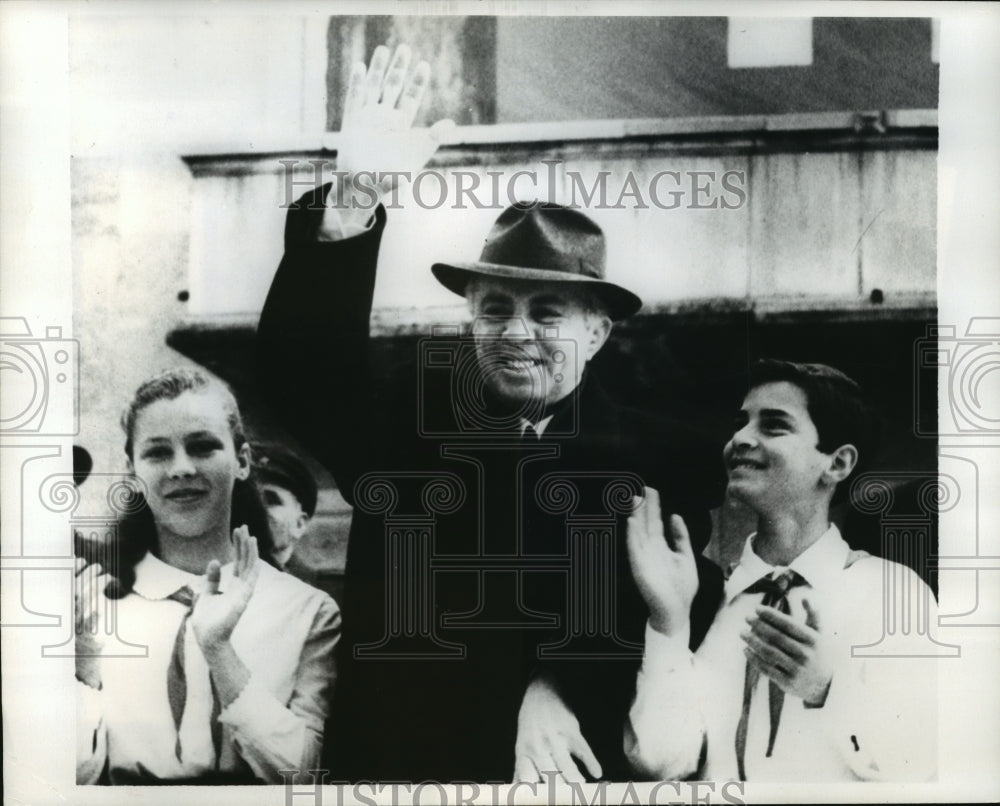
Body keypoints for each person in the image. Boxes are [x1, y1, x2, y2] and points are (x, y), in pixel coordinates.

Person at [257, 45, 725, 782]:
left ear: (597, 331)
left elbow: (669, 612)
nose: (515, 331)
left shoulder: (657, 462)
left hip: (572, 776)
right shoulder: (407, 429)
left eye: (546, 312)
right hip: (408, 776)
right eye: (495, 308)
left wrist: (555, 683)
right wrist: (352, 198)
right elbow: (299, 375)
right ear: (471, 317)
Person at [623, 360, 938, 781]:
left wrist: (827, 690)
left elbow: (920, 764)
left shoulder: (894, 594)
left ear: (838, 463)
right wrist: (669, 625)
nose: (739, 438)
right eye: (740, 423)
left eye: (773, 426)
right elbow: (661, 762)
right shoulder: (706, 595)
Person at [75, 368, 341, 784]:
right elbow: (66, 781)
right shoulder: (93, 606)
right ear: (132, 471)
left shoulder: (308, 610)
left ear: (242, 461)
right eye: (158, 453)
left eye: (202, 447)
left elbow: (310, 776)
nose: (181, 468)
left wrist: (220, 651)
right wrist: (83, 674)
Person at [251, 441, 319, 582]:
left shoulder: (329, 592)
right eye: (248, 498)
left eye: (271, 501)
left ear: (299, 524)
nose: (255, 509)